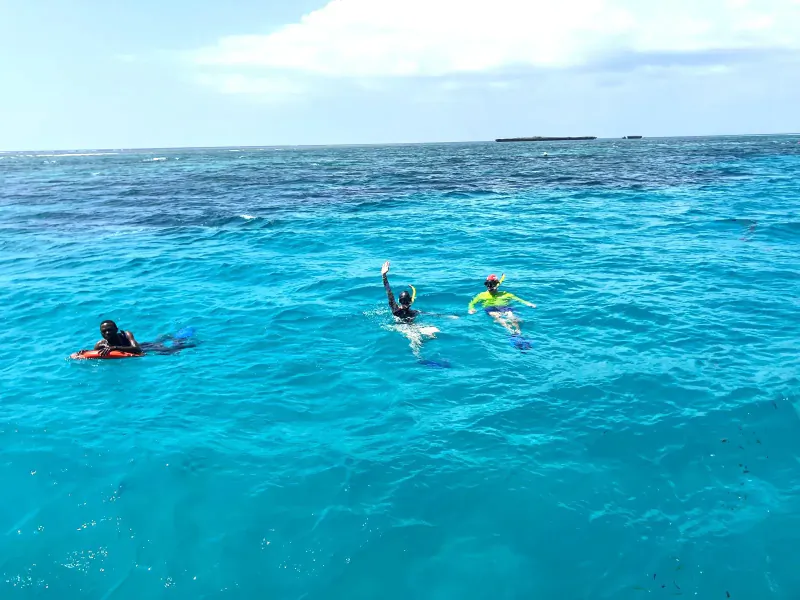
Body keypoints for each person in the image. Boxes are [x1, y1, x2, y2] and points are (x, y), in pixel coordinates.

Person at [468, 274, 536, 335]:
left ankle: (518, 331)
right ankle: (511, 331)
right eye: (487, 285)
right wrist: (471, 309)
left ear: (496, 284)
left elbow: (518, 299)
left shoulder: (505, 294)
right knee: (496, 315)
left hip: (504, 307)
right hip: (490, 308)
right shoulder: (482, 295)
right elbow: (472, 303)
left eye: (492, 284)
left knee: (511, 315)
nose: (489, 287)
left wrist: (528, 303)